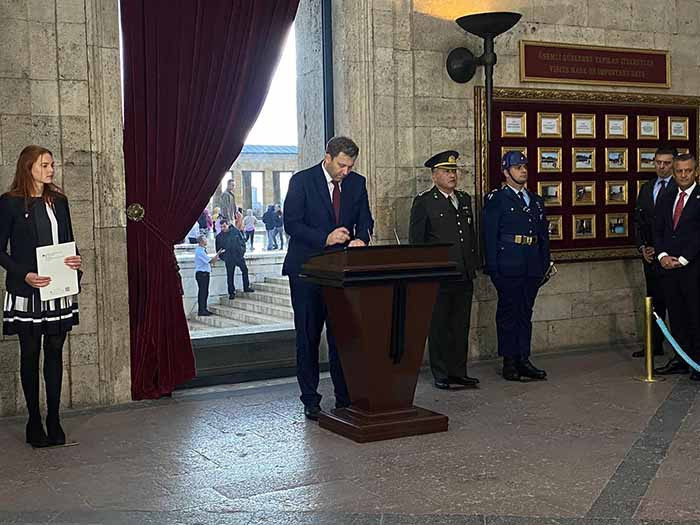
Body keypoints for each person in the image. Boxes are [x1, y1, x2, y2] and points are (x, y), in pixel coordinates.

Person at [283, 136, 374, 420]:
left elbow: (365, 220)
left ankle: (344, 397)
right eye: (341, 165)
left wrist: (361, 238)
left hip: (341, 272)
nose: (345, 172)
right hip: (307, 271)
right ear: (328, 157)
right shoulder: (302, 181)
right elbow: (292, 224)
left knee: (341, 336)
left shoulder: (357, 183)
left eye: (350, 166)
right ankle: (310, 399)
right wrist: (325, 237)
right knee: (308, 337)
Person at [0, 145, 82, 448]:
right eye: (44, 165)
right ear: (28, 167)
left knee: (56, 354)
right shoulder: (9, 203)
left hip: (57, 289)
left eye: (51, 165)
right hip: (27, 289)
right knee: (30, 353)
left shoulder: (59, 201)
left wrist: (76, 259)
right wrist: (24, 275)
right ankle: (34, 421)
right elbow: (0, 250)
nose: (50, 170)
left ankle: (54, 418)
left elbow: (69, 243)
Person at [408, 151, 479, 390]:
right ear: (434, 175)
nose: (452, 175)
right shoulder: (425, 202)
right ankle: (441, 372)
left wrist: (473, 265)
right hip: (439, 276)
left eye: (454, 171)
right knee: (438, 326)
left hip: (463, 273)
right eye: (447, 171)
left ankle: (459, 371)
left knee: (461, 325)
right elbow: (417, 242)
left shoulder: (464, 199)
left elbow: (470, 237)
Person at [482, 151, 550, 381]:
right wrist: (493, 268)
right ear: (506, 171)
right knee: (508, 314)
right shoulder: (497, 200)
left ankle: (523, 358)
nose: (523, 170)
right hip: (508, 264)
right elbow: (489, 236)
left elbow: (542, 236)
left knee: (525, 313)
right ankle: (509, 361)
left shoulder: (535, 200)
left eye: (524, 166)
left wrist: (544, 264)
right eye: (517, 166)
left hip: (531, 265)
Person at [653, 154, 700, 380]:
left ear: (696, 172)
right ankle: (681, 359)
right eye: (679, 171)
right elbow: (659, 229)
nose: (683, 175)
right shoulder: (667, 196)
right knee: (677, 316)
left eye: (688, 171)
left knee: (695, 316)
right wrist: (662, 256)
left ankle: (698, 363)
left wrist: (682, 259)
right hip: (668, 269)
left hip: (693, 269)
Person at [633, 146, 677, 360]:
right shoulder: (647, 187)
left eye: (666, 163)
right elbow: (639, 221)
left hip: (673, 258)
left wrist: (661, 250)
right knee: (654, 302)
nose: (661, 167)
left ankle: (681, 351)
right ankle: (653, 345)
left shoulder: (680, 188)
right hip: (650, 258)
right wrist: (643, 248)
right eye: (658, 162)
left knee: (677, 305)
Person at [215, 217, 254, 300]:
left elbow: (242, 242)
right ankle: (231, 293)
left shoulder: (235, 231)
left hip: (238, 256)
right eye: (221, 227)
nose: (223, 228)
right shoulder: (219, 237)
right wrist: (224, 257)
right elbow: (218, 250)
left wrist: (242, 252)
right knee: (230, 276)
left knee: (245, 270)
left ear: (228, 225)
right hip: (229, 258)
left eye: (224, 226)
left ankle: (246, 287)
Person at [194, 234, 223, 316]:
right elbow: (210, 261)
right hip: (202, 274)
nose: (206, 240)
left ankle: (204, 308)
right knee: (203, 292)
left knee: (205, 292)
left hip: (204, 274)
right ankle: (201, 310)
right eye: (205, 239)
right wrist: (218, 254)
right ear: (201, 241)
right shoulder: (199, 251)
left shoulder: (202, 250)